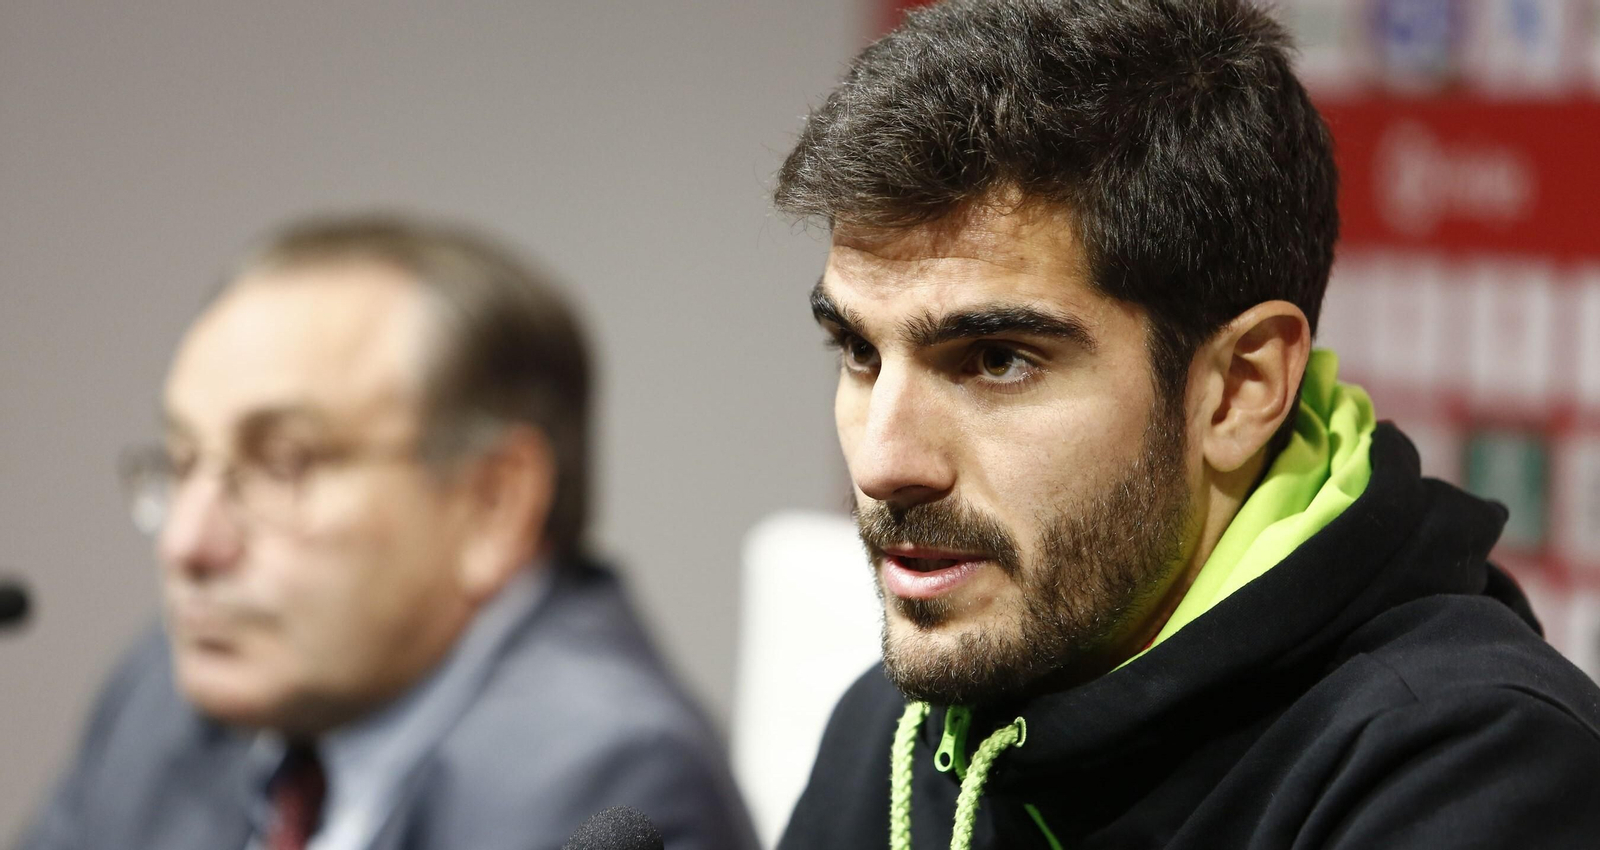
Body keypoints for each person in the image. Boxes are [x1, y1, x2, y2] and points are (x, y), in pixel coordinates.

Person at [771, 1, 1600, 848]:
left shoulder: (1471, 771)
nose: (883, 461)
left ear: (1239, 390)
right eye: (859, 352)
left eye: (997, 360)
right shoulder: (896, 732)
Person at [20, 215, 758, 850]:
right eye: (183, 463)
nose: (186, 544)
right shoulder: (165, 698)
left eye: (284, 465)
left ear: (491, 503)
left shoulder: (609, 782)